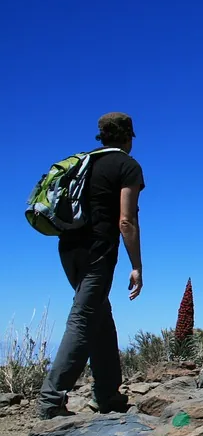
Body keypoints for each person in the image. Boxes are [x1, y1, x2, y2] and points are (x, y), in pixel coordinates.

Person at [37, 112, 145, 419]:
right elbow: (126, 220)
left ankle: (107, 393)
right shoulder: (127, 166)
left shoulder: (84, 161)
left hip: (68, 247)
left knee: (99, 313)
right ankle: (50, 401)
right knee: (84, 317)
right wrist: (136, 265)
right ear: (128, 136)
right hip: (98, 249)